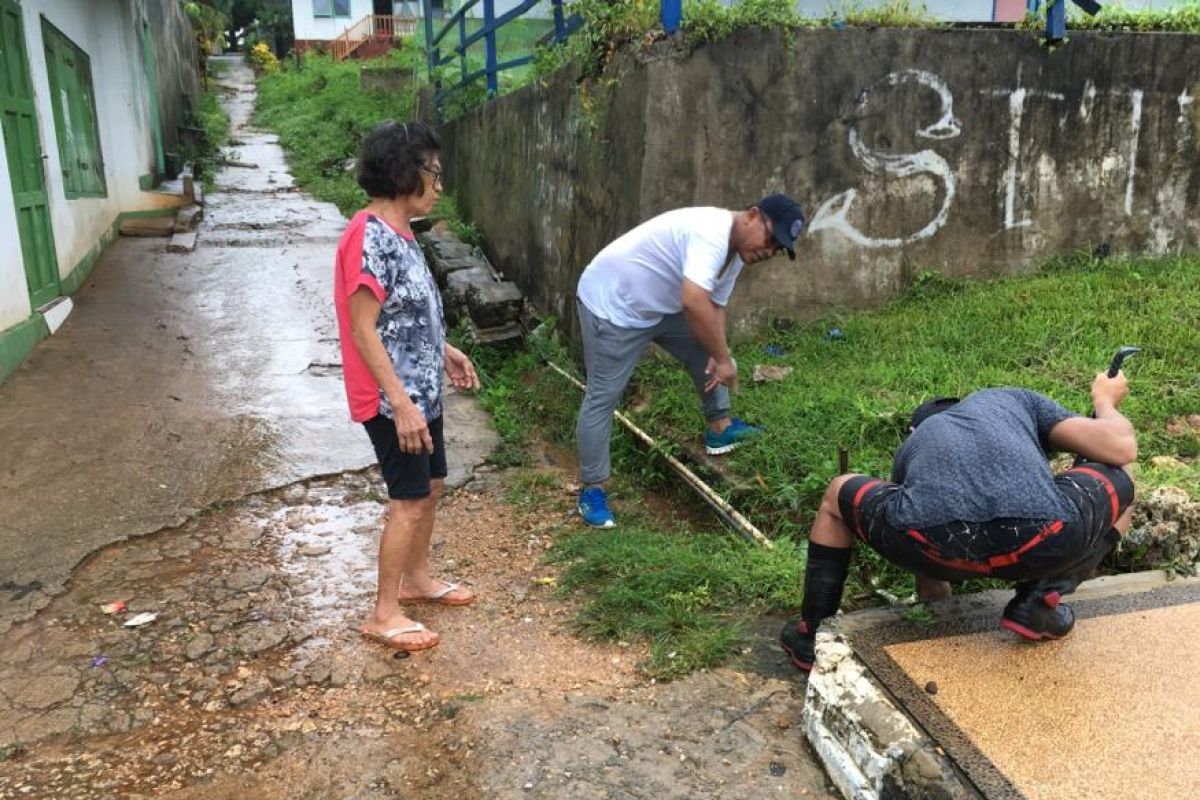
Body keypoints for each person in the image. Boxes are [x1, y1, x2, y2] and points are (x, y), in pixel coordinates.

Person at [780, 374, 1138, 672]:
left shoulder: (915, 444)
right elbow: (1120, 448)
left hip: (934, 546)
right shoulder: (1012, 401)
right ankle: (1040, 599)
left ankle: (811, 636)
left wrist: (937, 606)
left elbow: (924, 544)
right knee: (1122, 480)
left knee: (837, 494)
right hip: (1044, 537)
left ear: (912, 427)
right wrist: (1105, 400)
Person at [333, 120, 480, 653]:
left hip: (421, 392)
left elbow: (406, 313)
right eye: (433, 174)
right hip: (395, 401)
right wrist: (399, 404)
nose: (439, 185)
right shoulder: (370, 236)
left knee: (432, 485)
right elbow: (362, 326)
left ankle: (417, 580)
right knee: (409, 500)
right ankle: (384, 613)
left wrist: (444, 351)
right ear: (404, 173)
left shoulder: (400, 233)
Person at [574, 194, 807, 528]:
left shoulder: (737, 254)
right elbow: (694, 300)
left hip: (660, 306)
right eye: (770, 239)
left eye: (778, 249)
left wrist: (719, 353)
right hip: (613, 307)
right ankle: (592, 489)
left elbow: (715, 307)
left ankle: (720, 429)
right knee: (603, 395)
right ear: (752, 216)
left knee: (707, 348)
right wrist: (724, 359)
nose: (769, 251)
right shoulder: (710, 232)